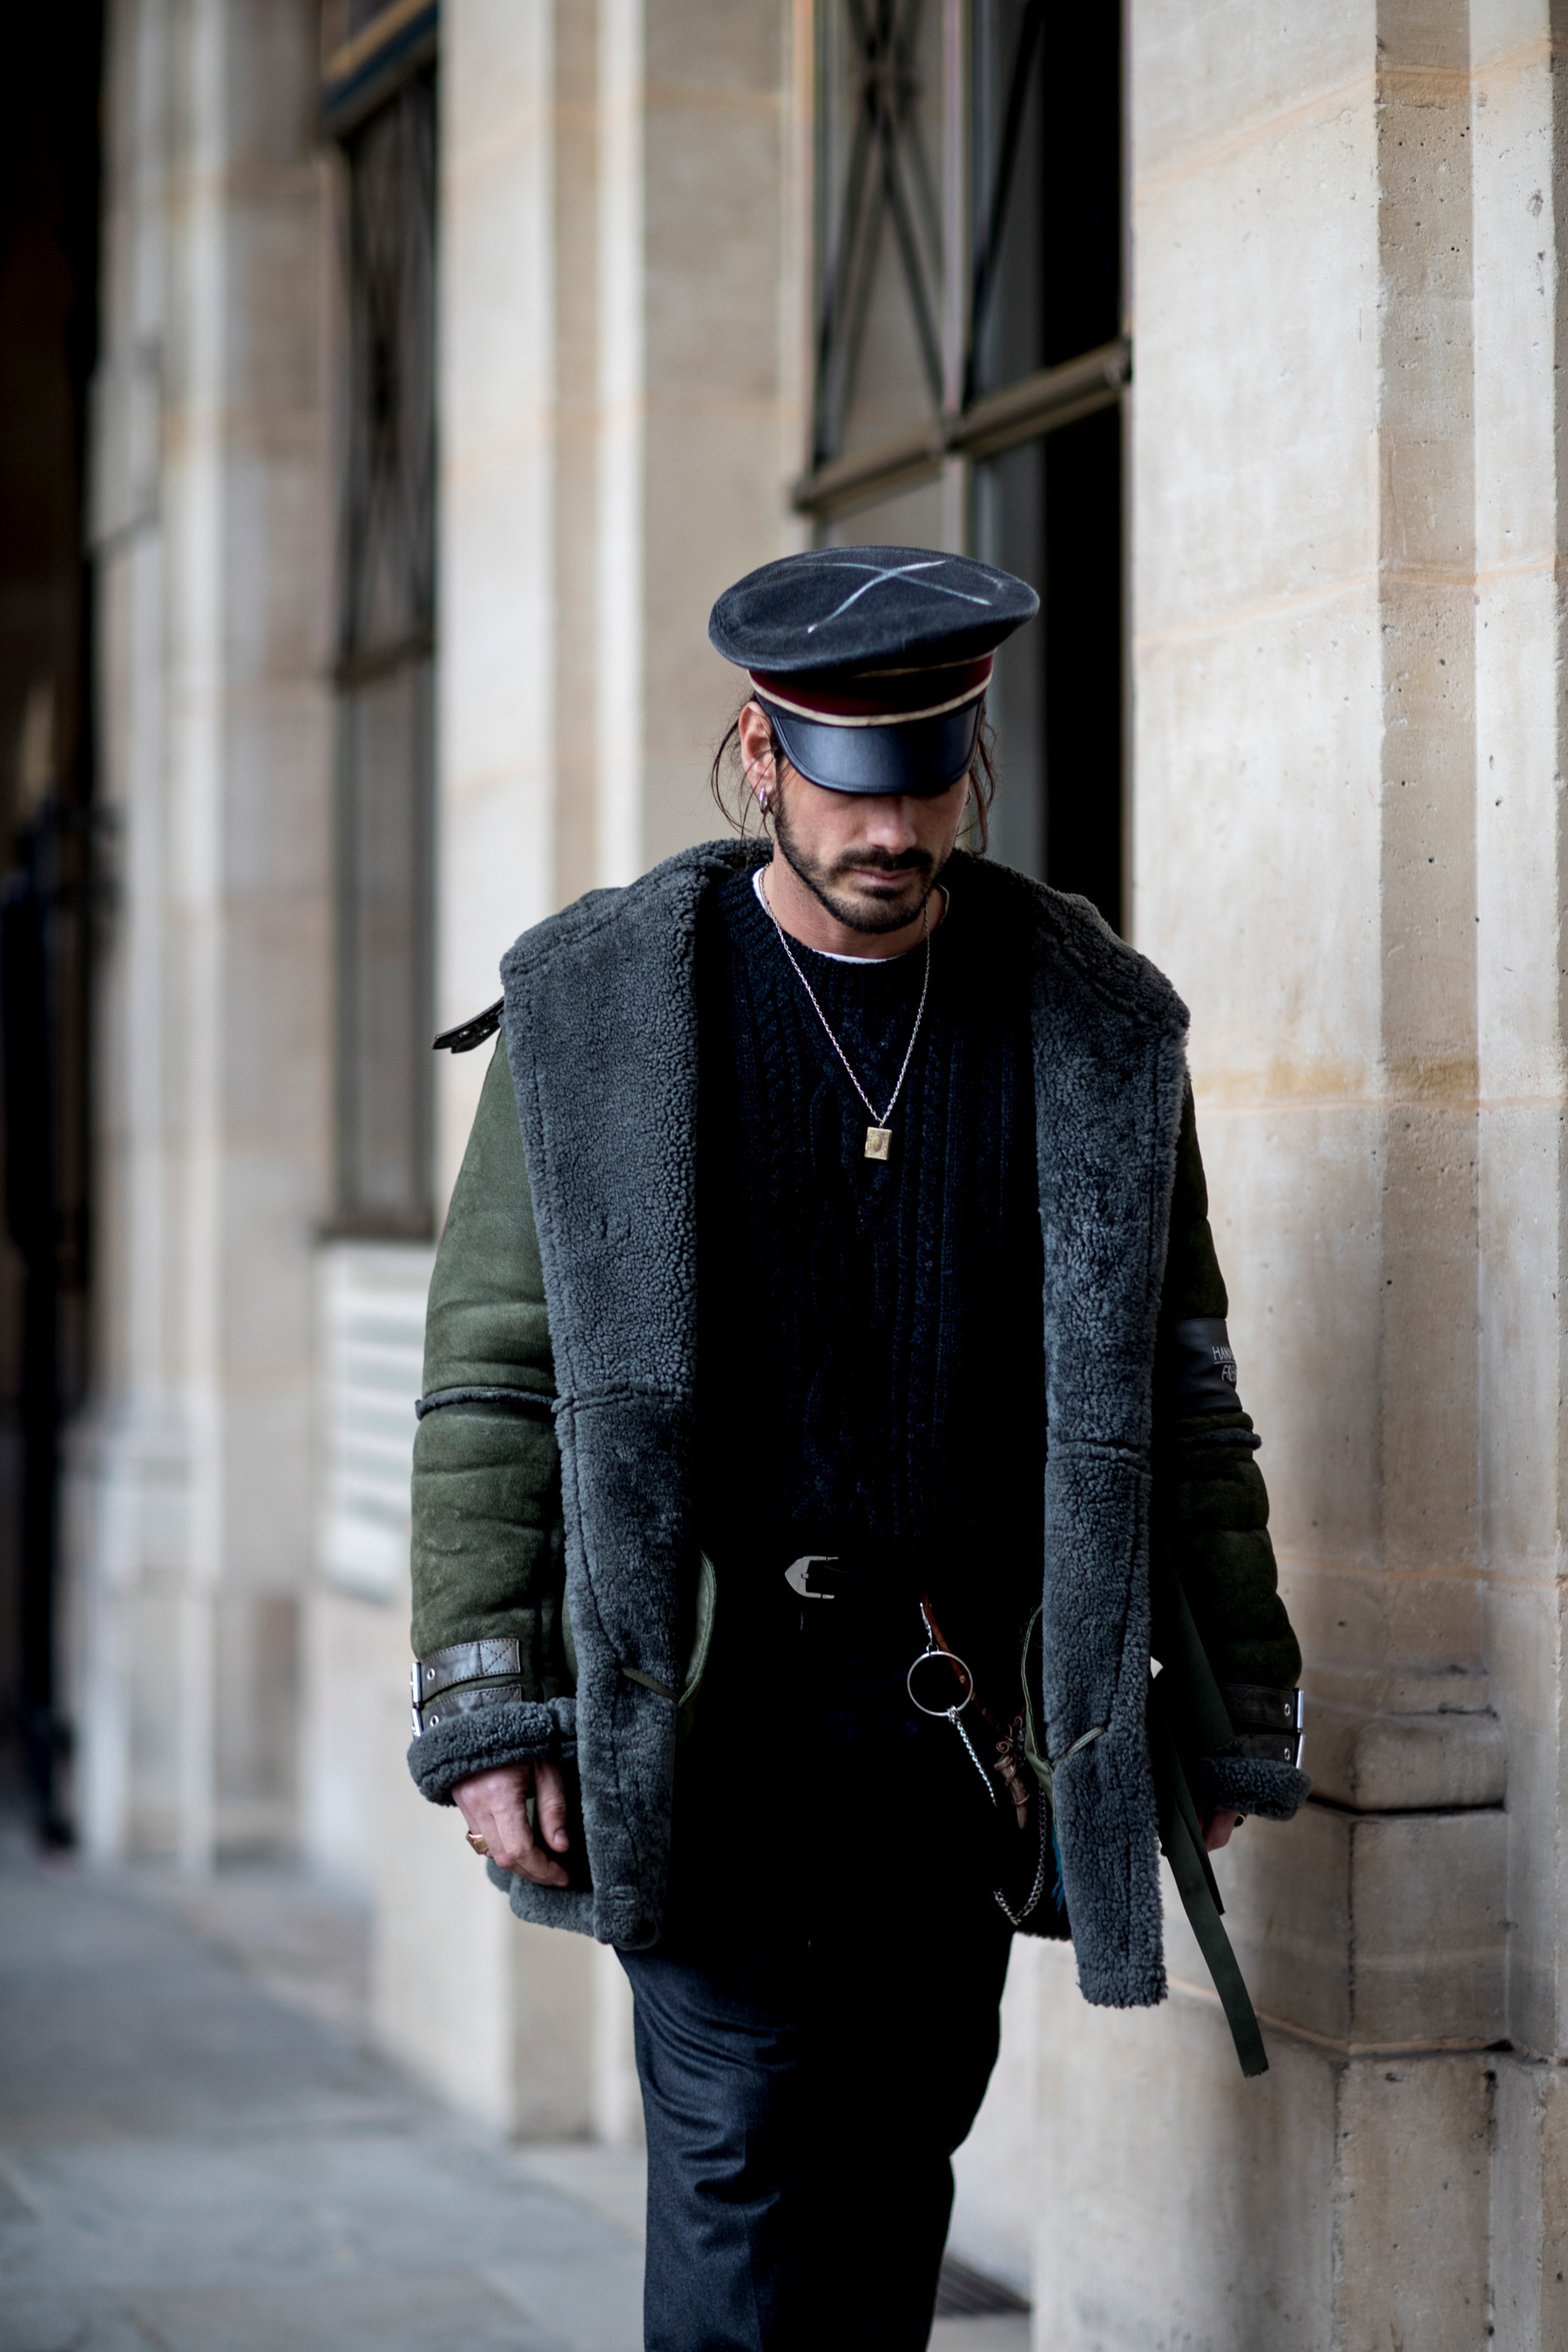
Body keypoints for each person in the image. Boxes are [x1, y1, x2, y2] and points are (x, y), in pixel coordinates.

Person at [405, 546, 1309, 2352]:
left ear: (975, 762)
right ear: (761, 756)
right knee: (742, 2184)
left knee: (895, 2188)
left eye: (929, 782)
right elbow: (492, 1375)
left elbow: (1185, 1393)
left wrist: (1227, 1703)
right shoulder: (601, 1016)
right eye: (852, 785)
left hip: (955, 1739)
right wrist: (493, 1710)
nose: (894, 831)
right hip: (703, 1717)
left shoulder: (1094, 1027)